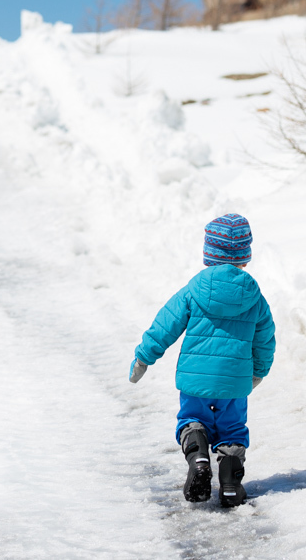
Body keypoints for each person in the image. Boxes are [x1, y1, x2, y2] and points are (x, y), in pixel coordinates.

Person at [129, 213, 275, 506]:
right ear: (245, 257)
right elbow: (265, 338)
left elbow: (165, 324)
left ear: (209, 254)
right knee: (232, 430)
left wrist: (144, 356)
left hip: (194, 380)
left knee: (193, 420)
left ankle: (197, 458)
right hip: (234, 382)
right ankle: (231, 483)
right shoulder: (253, 295)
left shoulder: (194, 290)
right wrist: (258, 372)